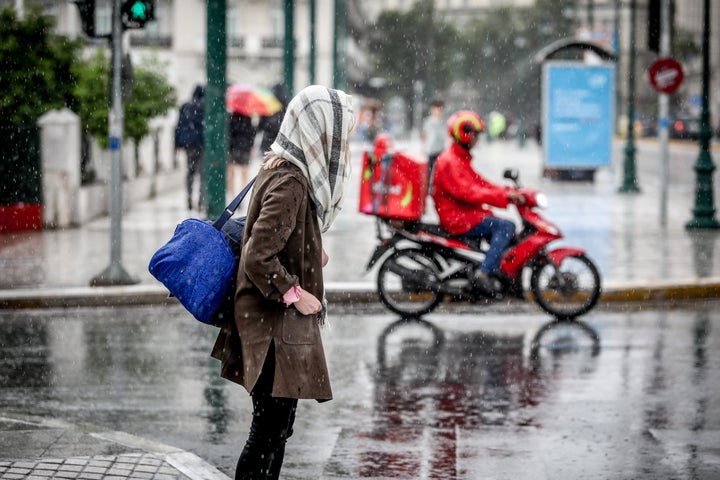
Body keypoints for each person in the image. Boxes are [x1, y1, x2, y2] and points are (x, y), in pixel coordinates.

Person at [211, 85, 355, 480]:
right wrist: (295, 293)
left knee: (277, 428)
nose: (344, 143)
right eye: (339, 132)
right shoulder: (291, 180)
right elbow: (259, 256)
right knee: (269, 430)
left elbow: (276, 236)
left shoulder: (284, 168)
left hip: (270, 322)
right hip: (271, 322)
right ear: (318, 131)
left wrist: (311, 251)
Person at [431, 110, 525, 294]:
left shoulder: (458, 158)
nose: (478, 139)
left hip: (464, 214)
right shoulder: (451, 161)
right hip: (458, 218)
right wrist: (504, 197)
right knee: (506, 227)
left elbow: (480, 183)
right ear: (465, 134)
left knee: (502, 228)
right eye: (476, 134)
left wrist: (507, 191)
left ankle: (494, 270)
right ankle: (483, 273)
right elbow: (469, 193)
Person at [175, 85, 206, 210]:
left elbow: (178, 126)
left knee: (190, 172)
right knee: (203, 174)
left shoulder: (185, 106)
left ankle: (189, 197)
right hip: (202, 144)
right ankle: (200, 201)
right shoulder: (205, 107)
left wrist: (177, 144)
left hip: (189, 145)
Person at [228, 112, 257, 197]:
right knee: (244, 173)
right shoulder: (248, 119)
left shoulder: (232, 118)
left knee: (231, 173)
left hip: (234, 149)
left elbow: (229, 134)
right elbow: (252, 134)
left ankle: (232, 194)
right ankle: (242, 195)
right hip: (245, 149)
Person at [257, 83, 290, 154]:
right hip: (280, 144)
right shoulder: (287, 107)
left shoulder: (268, 105)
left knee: (266, 162)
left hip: (267, 143)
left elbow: (261, 126)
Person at [421, 99, 446, 184]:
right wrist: (424, 147)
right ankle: (427, 186)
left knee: (441, 171)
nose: (438, 111)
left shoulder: (443, 122)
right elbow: (425, 134)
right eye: (436, 109)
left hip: (441, 150)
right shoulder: (429, 122)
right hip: (431, 150)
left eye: (440, 109)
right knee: (429, 170)